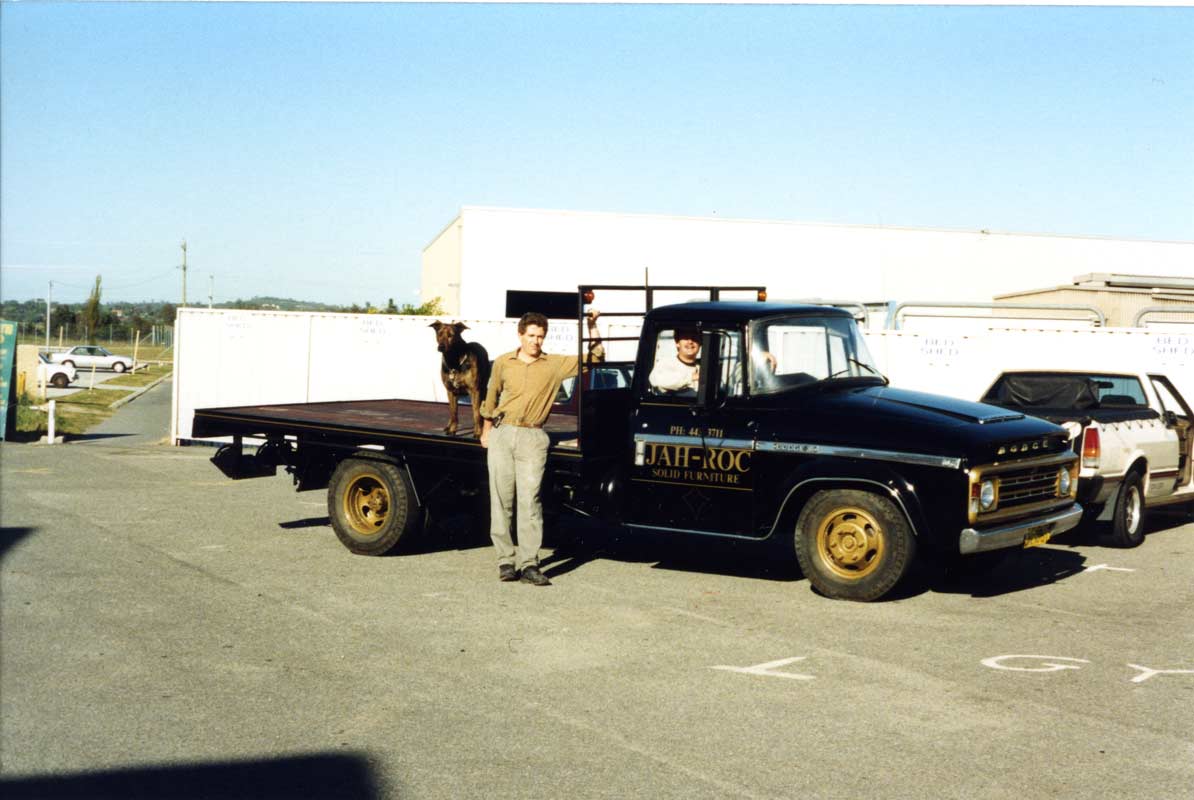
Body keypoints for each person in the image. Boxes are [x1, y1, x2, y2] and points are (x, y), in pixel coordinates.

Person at [480, 309, 603, 586]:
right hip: (502, 433)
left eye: (541, 336)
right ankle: (505, 561)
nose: (536, 341)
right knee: (502, 501)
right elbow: (490, 395)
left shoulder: (554, 365)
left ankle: (529, 564)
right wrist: (487, 431)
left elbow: (595, 358)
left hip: (533, 438)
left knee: (530, 500)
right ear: (520, 335)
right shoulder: (503, 362)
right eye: (532, 335)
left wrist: (592, 325)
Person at [648, 327, 701, 394]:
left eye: (694, 338)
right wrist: (691, 377)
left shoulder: (704, 366)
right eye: (685, 337)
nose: (690, 341)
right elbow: (656, 380)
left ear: (700, 343)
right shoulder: (666, 364)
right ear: (677, 343)